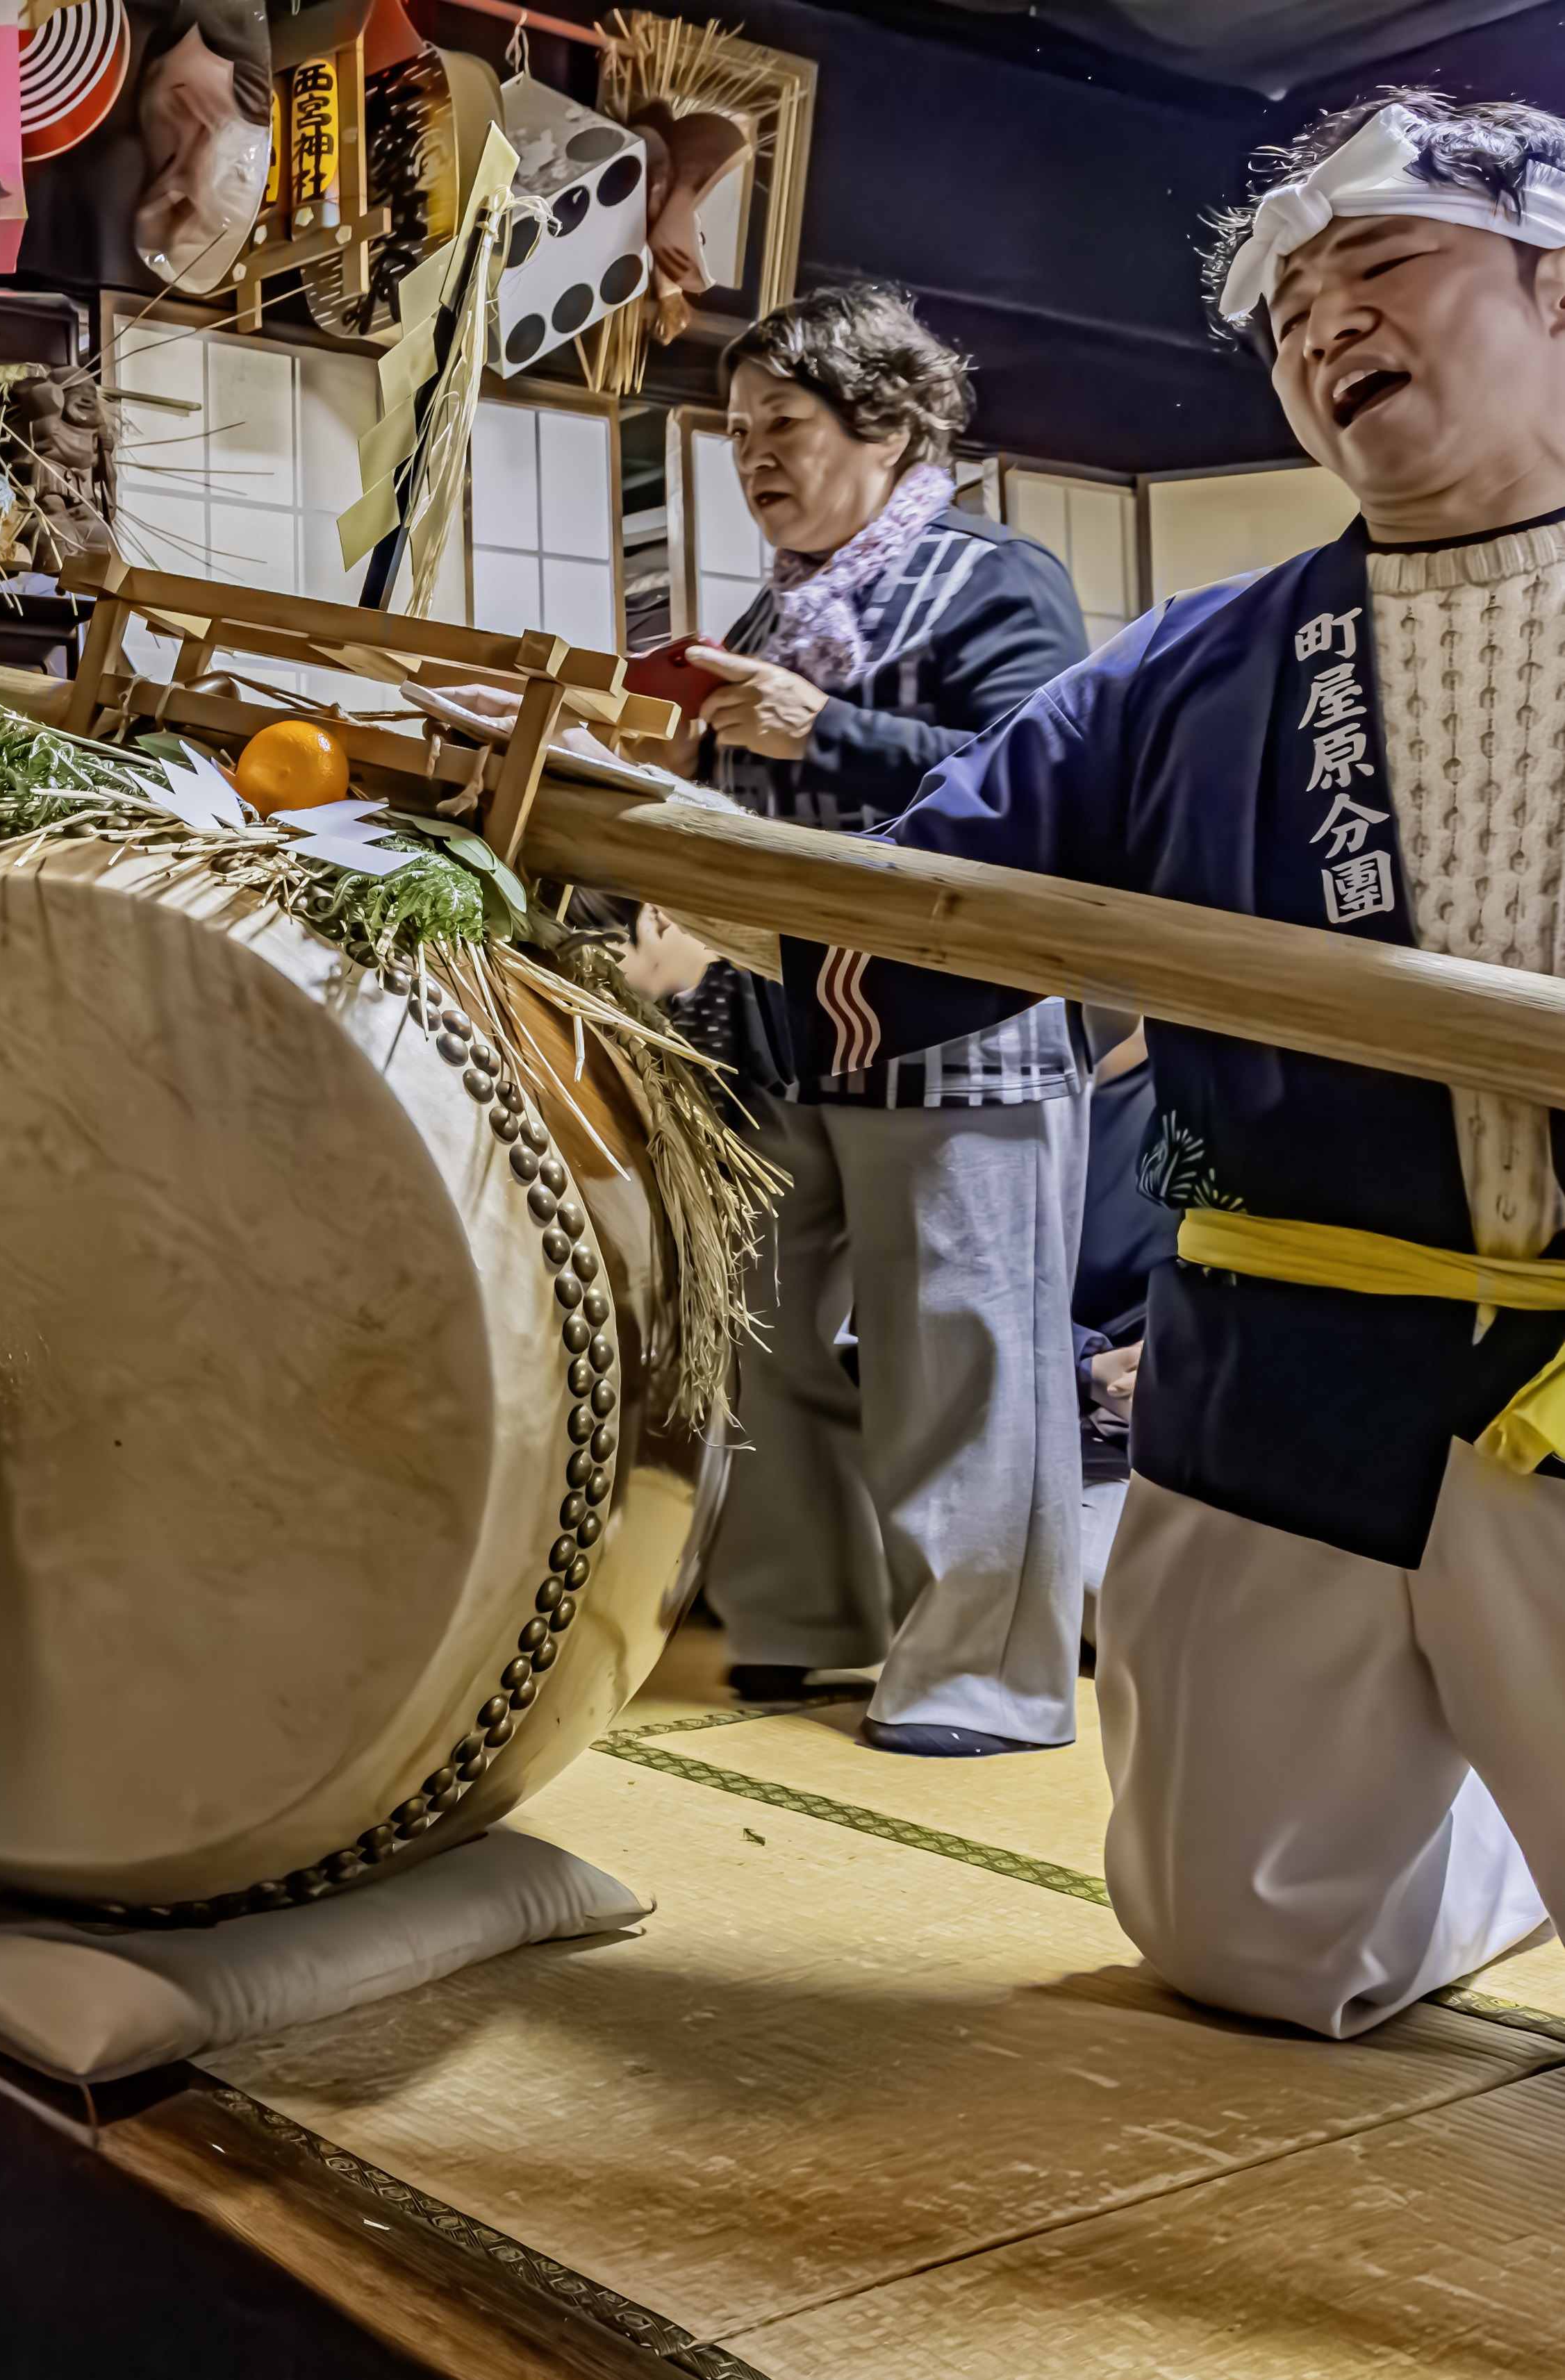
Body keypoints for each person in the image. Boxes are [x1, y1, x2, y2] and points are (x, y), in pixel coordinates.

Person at [771, 90, 1565, 2038]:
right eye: (1287, 311)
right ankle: (1483, 1845)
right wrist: (666, 856)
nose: (1320, 330)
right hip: (1292, 1355)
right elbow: (920, 906)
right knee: (1242, 1945)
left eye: (1376, 267)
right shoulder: (1199, 667)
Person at [673, 285, 1098, 1756]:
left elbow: (1040, 781)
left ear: (889, 421)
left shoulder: (998, 578)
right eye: (735, 434)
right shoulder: (757, 614)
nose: (751, 459)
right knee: (755, 1342)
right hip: (776, 1038)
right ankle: (804, 1628)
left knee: (963, 1372)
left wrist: (821, 727)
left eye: (779, 425)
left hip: (960, 1038)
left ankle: (984, 1679)